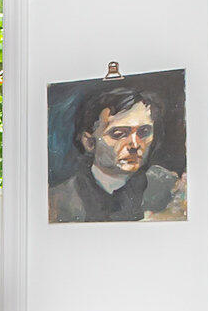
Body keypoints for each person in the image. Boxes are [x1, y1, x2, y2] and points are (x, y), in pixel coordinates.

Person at [49, 84, 186, 222]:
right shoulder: (59, 200)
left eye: (144, 132)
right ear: (89, 142)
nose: (135, 144)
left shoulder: (169, 187)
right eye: (119, 134)